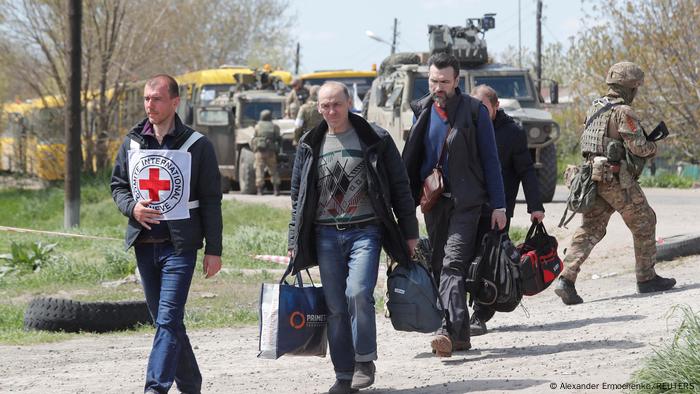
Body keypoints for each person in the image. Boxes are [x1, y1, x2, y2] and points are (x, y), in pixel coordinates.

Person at [287, 81, 418, 394]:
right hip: (325, 235)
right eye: (325, 106)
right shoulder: (310, 143)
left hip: (366, 231)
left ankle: (364, 361)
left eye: (337, 104)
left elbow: (400, 188)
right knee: (335, 306)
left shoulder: (375, 139)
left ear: (349, 104)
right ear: (318, 108)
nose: (331, 111)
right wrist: (294, 241)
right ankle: (344, 375)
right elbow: (297, 197)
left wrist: (410, 232)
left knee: (358, 293)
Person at [111, 74, 223, 394]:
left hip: (180, 247)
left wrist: (214, 250)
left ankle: (154, 388)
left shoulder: (197, 145)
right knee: (167, 322)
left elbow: (212, 200)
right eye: (146, 98)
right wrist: (131, 208)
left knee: (168, 319)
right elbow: (118, 186)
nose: (150, 105)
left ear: (175, 102)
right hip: (144, 246)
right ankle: (191, 384)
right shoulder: (132, 142)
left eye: (157, 99)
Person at [402, 53, 507, 358]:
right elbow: (414, 158)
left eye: (444, 82)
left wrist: (499, 206)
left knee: (452, 263)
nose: (438, 87)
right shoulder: (421, 110)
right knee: (437, 264)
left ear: (457, 81)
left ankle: (446, 328)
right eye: (433, 81)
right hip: (434, 203)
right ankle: (460, 337)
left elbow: (491, 161)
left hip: (467, 203)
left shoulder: (474, 112)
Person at [554, 61, 676, 305]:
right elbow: (639, 147)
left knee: (590, 229)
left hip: (593, 178)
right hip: (615, 180)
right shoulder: (624, 112)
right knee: (644, 222)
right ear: (630, 87)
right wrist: (653, 147)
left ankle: (566, 279)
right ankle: (646, 278)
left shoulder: (595, 107)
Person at [469, 84, 545, 335]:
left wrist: (535, 206)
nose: (479, 112)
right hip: (468, 208)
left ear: (496, 106)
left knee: (489, 263)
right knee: (464, 260)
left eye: (484, 108)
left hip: (498, 211)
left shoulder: (512, 132)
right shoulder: (467, 126)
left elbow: (526, 171)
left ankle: (480, 314)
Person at [252, 109, 281, 195]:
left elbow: (254, 138)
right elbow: (278, 138)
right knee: (273, 170)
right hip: (271, 152)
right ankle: (276, 190)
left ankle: (260, 191)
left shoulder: (257, 126)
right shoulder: (274, 126)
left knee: (259, 170)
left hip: (260, 152)